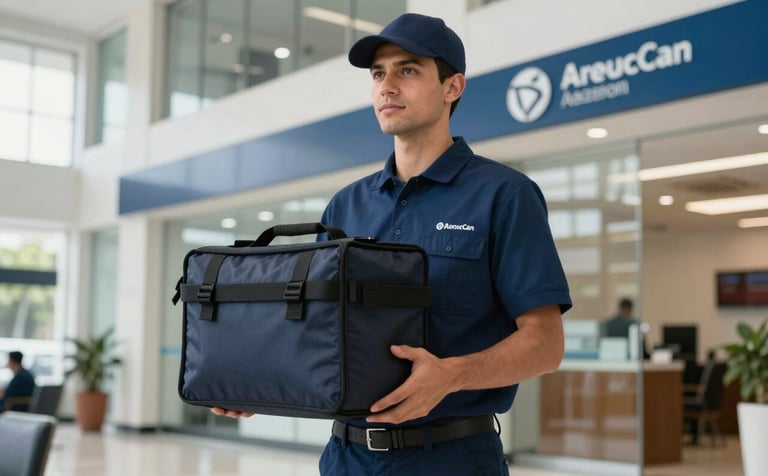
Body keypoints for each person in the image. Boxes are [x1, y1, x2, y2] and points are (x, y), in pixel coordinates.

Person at [212, 13, 572, 475]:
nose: (386, 86)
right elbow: (314, 333)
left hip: (451, 458)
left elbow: (546, 345)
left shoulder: (504, 195)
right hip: (346, 457)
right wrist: (255, 381)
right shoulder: (345, 206)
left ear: (452, 87)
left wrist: (451, 376)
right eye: (378, 74)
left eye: (407, 70)